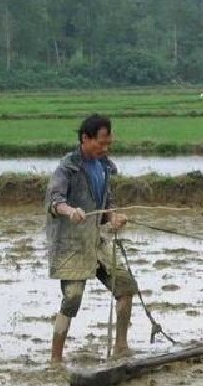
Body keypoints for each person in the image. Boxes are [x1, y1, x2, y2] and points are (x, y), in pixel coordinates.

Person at [45, 114, 137, 362]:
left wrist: (113, 218)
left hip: (96, 241)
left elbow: (105, 205)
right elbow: (54, 202)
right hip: (71, 244)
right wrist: (70, 210)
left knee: (126, 287)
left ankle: (121, 346)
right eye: (101, 143)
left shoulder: (104, 166)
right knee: (72, 298)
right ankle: (55, 358)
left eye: (108, 144)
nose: (105, 148)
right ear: (85, 138)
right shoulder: (68, 167)